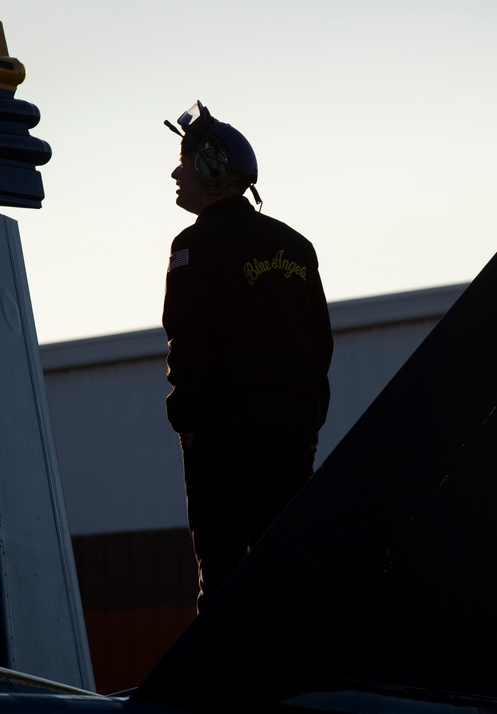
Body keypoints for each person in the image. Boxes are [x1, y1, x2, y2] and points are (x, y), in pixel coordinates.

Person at [161, 100, 333, 609]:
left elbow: (188, 341)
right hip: (294, 444)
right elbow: (320, 345)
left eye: (186, 159)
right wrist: (308, 424)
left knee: (223, 583)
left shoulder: (194, 245)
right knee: (288, 577)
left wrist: (186, 420)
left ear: (214, 169)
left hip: (223, 444)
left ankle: (220, 684)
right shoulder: (298, 248)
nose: (176, 171)